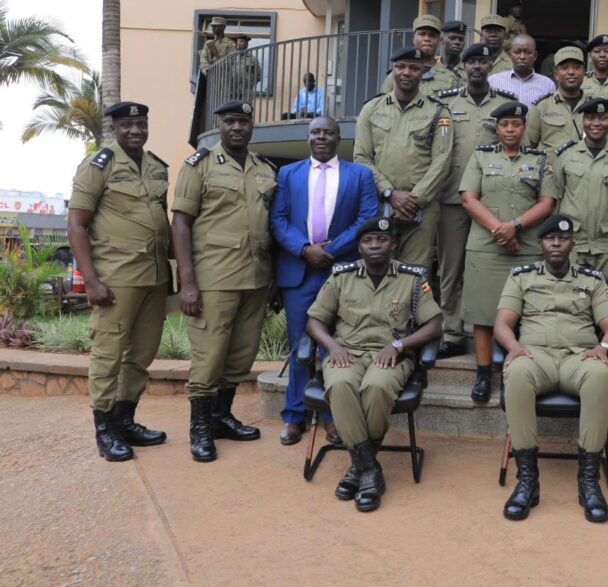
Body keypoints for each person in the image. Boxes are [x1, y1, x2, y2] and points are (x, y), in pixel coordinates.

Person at [305, 217, 443, 512]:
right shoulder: (341, 277)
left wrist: (399, 345)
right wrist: (332, 346)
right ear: (360, 247)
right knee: (341, 384)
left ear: (393, 244)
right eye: (368, 241)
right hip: (347, 352)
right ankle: (368, 469)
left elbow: (434, 326)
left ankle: (358, 469)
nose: (375, 245)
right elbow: (314, 321)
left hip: (390, 354)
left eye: (382, 239)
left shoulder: (412, 279)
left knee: (376, 387)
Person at [495, 215, 608, 523]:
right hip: (535, 356)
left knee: (599, 373)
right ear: (541, 243)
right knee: (517, 372)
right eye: (550, 238)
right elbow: (502, 324)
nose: (556, 243)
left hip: (577, 358)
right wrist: (513, 348)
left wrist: (602, 348)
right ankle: (528, 481)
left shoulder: (592, 280)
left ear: (572, 244)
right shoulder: (521, 277)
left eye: (563, 239)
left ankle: (588, 482)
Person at [171, 100, 277, 463]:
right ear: (220, 125)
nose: (237, 127)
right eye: (230, 121)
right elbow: (180, 223)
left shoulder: (264, 168)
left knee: (241, 354)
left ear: (252, 126)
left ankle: (220, 417)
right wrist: (188, 283)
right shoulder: (199, 165)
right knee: (210, 355)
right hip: (214, 277)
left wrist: (273, 277)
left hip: (256, 277)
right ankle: (199, 428)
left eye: (243, 122)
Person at [68, 101, 170, 462]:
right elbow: (77, 224)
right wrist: (91, 281)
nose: (135, 130)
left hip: (154, 277)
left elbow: (159, 219)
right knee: (109, 354)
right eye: (127, 125)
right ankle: (104, 430)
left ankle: (125, 421)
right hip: (117, 277)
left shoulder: (157, 166)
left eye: (141, 124)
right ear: (115, 128)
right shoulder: (99, 165)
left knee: (141, 354)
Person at [270, 116, 379, 446]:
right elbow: (278, 220)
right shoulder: (288, 174)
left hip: (341, 270)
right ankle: (294, 416)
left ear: (338, 138)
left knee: (339, 343)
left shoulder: (360, 175)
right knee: (300, 345)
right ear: (308, 137)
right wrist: (305, 250)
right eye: (315, 132)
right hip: (299, 271)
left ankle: (332, 416)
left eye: (328, 133)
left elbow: (367, 218)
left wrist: (329, 250)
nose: (321, 137)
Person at [459, 101, 556, 403]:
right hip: (486, 246)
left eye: (516, 124)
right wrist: (500, 231)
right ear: (497, 129)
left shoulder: (540, 159)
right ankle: (483, 373)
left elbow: (547, 202)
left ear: (524, 127)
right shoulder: (481, 156)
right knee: (484, 312)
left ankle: (519, 371)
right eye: (504, 125)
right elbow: (469, 199)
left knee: (527, 312)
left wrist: (515, 226)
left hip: (526, 247)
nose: (510, 130)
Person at [433, 43, 517, 359]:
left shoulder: (505, 104)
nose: (478, 67)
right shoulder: (446, 103)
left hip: (491, 199)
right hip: (453, 195)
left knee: (491, 268)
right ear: (464, 67)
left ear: (491, 66)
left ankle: (497, 332)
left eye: (483, 61)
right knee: (451, 269)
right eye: (472, 62)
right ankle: (452, 333)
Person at [353, 46, 453, 271]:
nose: (406, 72)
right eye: (400, 67)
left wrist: (413, 202)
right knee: (377, 270)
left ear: (423, 71)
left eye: (413, 68)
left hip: (422, 209)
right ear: (393, 70)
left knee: (416, 274)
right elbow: (361, 157)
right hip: (380, 204)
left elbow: (442, 160)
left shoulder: (439, 112)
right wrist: (390, 194)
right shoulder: (371, 108)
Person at [549, 97, 608, 298]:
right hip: (572, 243)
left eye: (603, 118)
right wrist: (554, 241)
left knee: (606, 301)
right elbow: (556, 201)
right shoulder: (566, 155)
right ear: (583, 121)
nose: (596, 123)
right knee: (569, 300)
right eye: (590, 118)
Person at [526, 46, 595, 155]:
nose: (571, 72)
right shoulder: (541, 107)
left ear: (584, 72)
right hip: (551, 165)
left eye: (577, 67)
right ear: (556, 74)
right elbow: (528, 147)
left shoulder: (594, 106)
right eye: (565, 68)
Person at [380, 15, 457, 97]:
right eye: (422, 34)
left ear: (439, 40)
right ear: (413, 39)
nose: (427, 39)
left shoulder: (450, 75)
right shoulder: (397, 74)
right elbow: (383, 102)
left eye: (432, 35)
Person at [488, 35, 555, 107]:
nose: (522, 57)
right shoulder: (494, 81)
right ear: (510, 55)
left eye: (527, 52)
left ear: (535, 55)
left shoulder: (547, 84)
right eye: (517, 52)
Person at [228, 34, 262, 102]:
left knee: (245, 107)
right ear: (236, 43)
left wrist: (250, 84)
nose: (244, 43)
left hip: (246, 91)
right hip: (231, 90)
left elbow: (258, 75)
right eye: (241, 41)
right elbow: (223, 71)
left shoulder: (252, 58)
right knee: (231, 107)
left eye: (246, 42)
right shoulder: (229, 57)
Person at [437, 19, 467, 84]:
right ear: (441, 40)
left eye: (461, 39)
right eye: (452, 38)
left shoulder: (470, 69)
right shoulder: (433, 67)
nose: (457, 42)